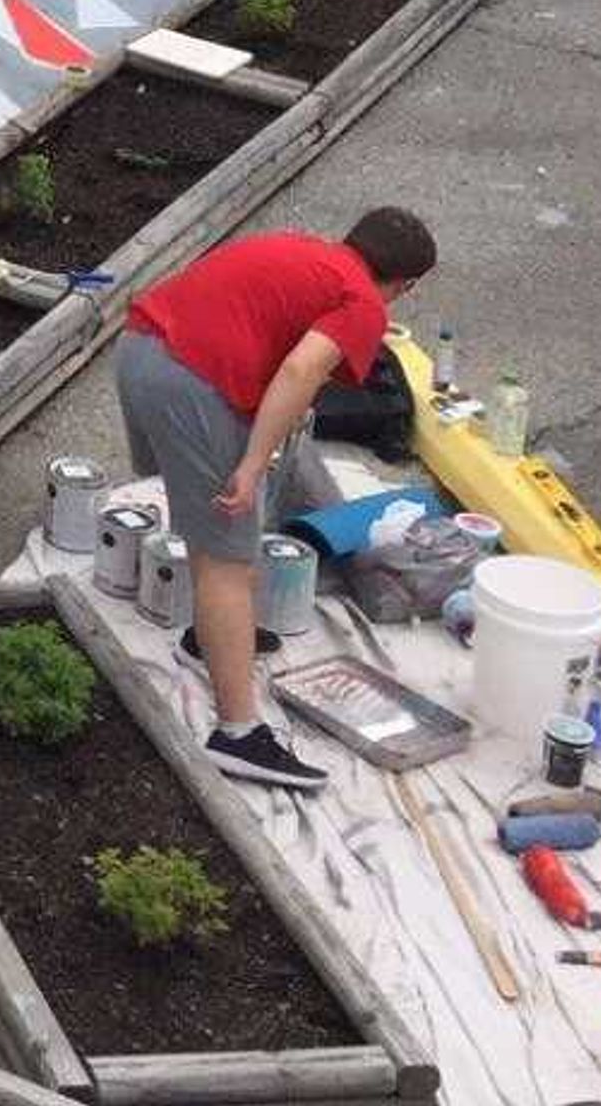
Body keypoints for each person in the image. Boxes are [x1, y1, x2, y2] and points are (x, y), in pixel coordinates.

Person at [116, 207, 439, 790]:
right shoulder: (362, 300)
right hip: (188, 382)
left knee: (220, 524)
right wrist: (251, 461)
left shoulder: (304, 250)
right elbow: (300, 372)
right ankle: (239, 735)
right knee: (226, 559)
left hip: (140, 351)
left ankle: (207, 641)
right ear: (407, 284)